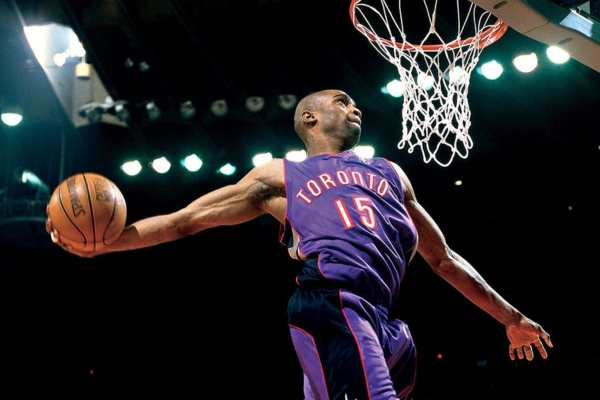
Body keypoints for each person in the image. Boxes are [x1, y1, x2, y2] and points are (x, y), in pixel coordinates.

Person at [46, 89, 552, 400]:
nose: (354, 108)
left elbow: (443, 258)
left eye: (354, 103)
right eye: (341, 101)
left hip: (381, 318)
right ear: (309, 119)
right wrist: (105, 246)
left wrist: (510, 318)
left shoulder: (390, 173)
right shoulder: (282, 175)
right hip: (331, 302)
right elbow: (187, 220)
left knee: (399, 354)